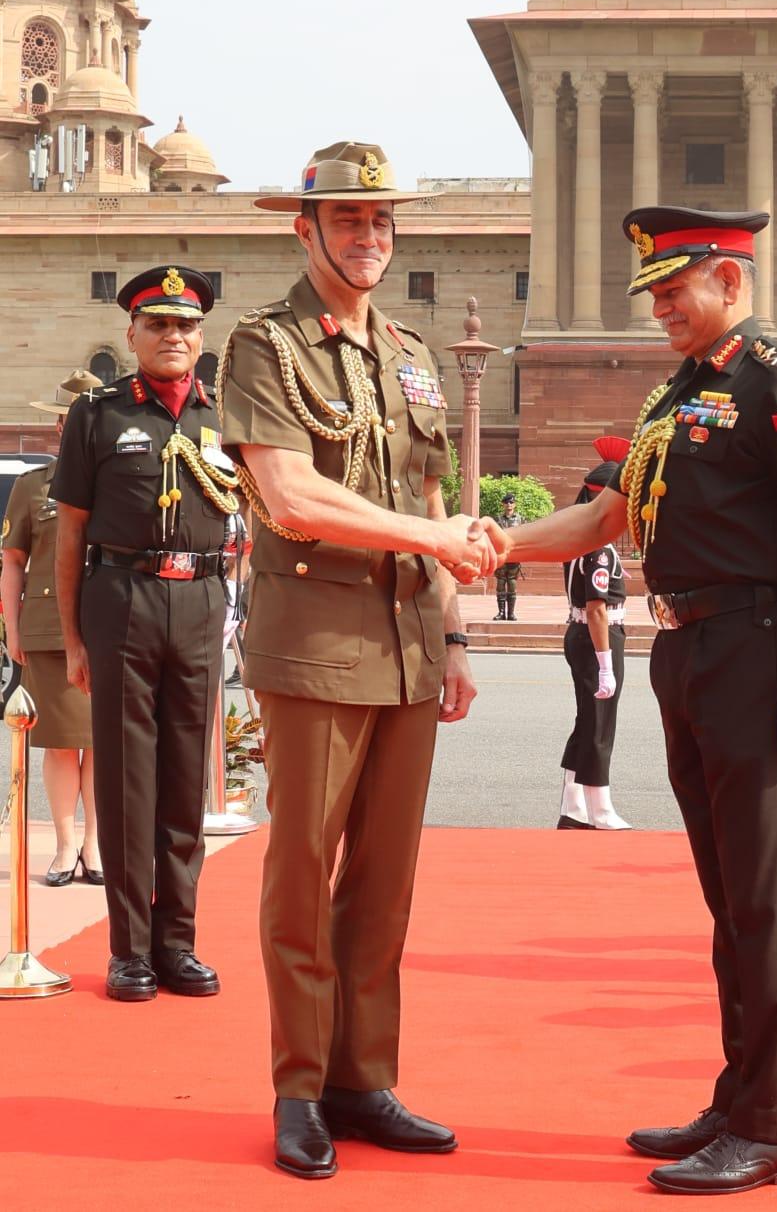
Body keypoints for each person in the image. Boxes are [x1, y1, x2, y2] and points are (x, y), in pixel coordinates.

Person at [485, 206, 777, 1196]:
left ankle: (774, 1128)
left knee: (764, 900)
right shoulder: (676, 393)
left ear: (731, 283)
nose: (659, 310)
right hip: (687, 650)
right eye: (653, 294)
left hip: (756, 647)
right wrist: (499, 541)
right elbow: (608, 514)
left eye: (673, 291)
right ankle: (738, 1098)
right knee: (728, 898)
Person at [217, 141, 493, 1180]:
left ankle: (361, 1079)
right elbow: (291, 497)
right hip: (318, 644)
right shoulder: (265, 346)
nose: (369, 236)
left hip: (412, 643)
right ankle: (297, 1087)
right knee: (301, 876)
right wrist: (435, 546)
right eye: (347, 219)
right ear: (305, 228)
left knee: (383, 885)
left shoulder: (413, 351)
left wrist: (456, 631)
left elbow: (428, 491)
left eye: (382, 220)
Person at [53, 266, 236, 1004]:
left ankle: (177, 943)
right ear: (132, 334)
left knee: (186, 781)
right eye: (158, 325)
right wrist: (71, 641)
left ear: (202, 337)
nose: (173, 336)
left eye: (186, 326)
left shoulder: (226, 417)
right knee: (128, 782)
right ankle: (129, 952)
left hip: (199, 600)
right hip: (119, 598)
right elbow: (68, 535)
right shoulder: (95, 416)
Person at [0, 371, 103, 887]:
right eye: (72, 420)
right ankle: (65, 846)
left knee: (106, 743)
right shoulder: (32, 486)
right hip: (47, 631)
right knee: (62, 743)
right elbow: (13, 561)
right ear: (61, 426)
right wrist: (10, 629)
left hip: (111, 628)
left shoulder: (121, 483)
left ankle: (95, 846)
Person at [558, 437, 631, 831]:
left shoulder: (577, 539)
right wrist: (606, 664)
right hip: (597, 636)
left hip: (581, 634)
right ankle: (599, 805)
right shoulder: (600, 549)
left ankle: (574, 805)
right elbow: (598, 608)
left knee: (588, 719)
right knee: (601, 721)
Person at [493, 492, 523, 619]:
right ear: (503, 505)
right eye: (506, 503)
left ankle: (510, 613)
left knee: (512, 584)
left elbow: (523, 536)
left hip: (514, 555)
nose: (509, 505)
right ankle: (501, 613)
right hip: (501, 555)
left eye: (511, 502)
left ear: (514, 504)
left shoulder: (520, 519)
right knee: (500, 584)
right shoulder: (498, 520)